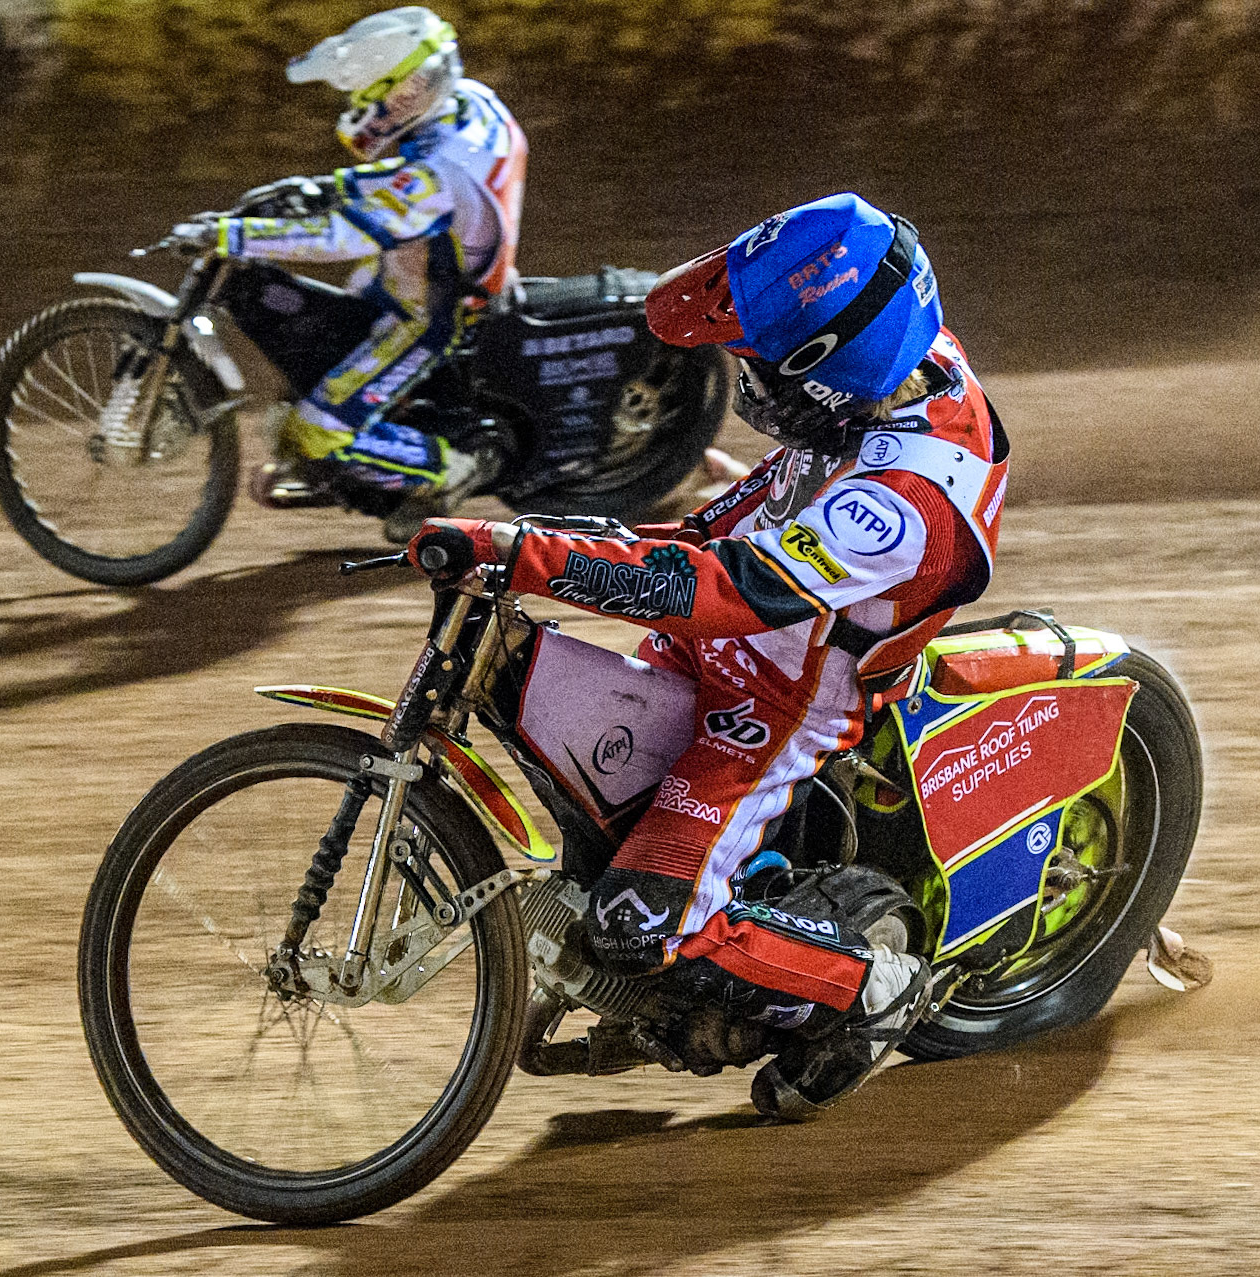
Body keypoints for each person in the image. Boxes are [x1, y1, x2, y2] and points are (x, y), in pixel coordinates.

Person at [406, 193, 1011, 1119]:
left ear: (828, 371)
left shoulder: (904, 505)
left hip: (779, 699)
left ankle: (872, 991)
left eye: (758, 364)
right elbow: (699, 312)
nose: (744, 379)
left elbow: (722, 591)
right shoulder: (891, 345)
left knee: (634, 923)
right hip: (740, 608)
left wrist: (519, 550)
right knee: (552, 711)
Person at [175, 7, 527, 536]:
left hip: (427, 316)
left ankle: (446, 467)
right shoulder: (467, 102)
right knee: (314, 351)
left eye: (366, 96)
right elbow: (399, 176)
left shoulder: (441, 174)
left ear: (406, 92)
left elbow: (342, 236)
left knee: (318, 433)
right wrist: (318, 187)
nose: (360, 108)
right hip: (421, 268)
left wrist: (230, 234)